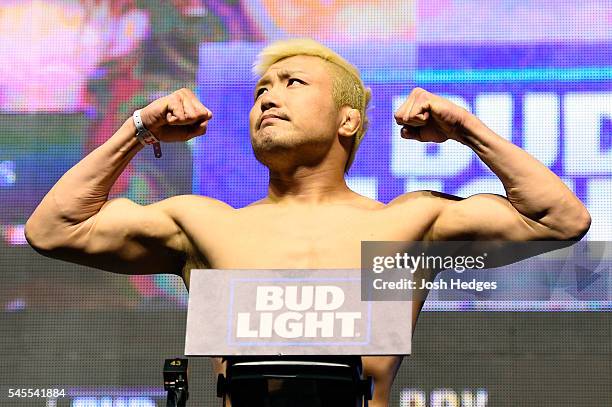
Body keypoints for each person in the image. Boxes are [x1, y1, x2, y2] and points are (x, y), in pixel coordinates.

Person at [25, 38, 591, 407]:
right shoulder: (201, 224)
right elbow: (53, 229)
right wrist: (140, 128)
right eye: (260, 92)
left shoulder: (407, 223)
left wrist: (465, 126)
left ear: (349, 119)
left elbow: (560, 218)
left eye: (292, 84)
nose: (267, 100)